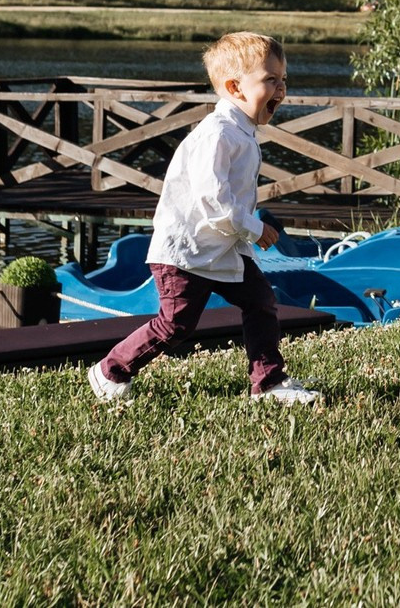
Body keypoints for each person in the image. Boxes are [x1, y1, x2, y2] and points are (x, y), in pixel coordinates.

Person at [87, 31, 322, 407]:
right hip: (186, 252)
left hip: (222, 248)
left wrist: (247, 231)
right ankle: (109, 372)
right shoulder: (217, 134)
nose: (281, 89)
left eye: (283, 79)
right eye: (270, 79)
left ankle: (268, 382)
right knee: (176, 324)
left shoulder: (243, 132)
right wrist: (255, 228)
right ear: (235, 87)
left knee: (260, 301)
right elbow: (213, 203)